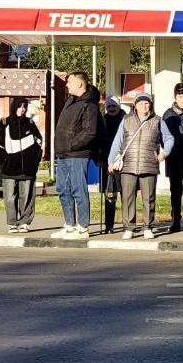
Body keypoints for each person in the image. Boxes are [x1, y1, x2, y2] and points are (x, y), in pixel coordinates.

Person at [108, 93, 174, 240]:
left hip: (149, 164)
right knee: (127, 197)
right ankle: (129, 227)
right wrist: (111, 161)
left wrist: (163, 154)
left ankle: (148, 227)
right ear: (135, 105)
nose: (145, 106)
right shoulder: (126, 120)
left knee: (149, 198)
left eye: (147, 103)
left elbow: (169, 138)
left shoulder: (158, 120)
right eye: (141, 103)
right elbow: (117, 141)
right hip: (128, 165)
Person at [51, 72, 102, 240]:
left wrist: (72, 145)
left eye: (70, 82)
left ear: (80, 84)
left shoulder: (90, 105)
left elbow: (90, 132)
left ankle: (83, 227)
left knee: (78, 190)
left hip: (77, 154)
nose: (67, 85)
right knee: (62, 189)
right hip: (63, 154)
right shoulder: (70, 102)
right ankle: (69, 225)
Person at [0, 97, 42, 233]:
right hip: (9, 170)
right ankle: (12, 223)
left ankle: (24, 222)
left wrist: (34, 162)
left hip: (28, 170)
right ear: (14, 107)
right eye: (19, 106)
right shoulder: (4, 124)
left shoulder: (30, 124)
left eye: (24, 106)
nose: (22, 109)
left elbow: (39, 143)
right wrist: (5, 161)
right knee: (9, 198)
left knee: (26, 198)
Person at [163, 83, 183, 233]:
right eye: (180, 96)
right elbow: (162, 135)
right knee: (175, 190)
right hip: (175, 157)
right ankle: (175, 219)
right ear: (175, 97)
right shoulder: (168, 114)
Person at [98, 96, 125, 234]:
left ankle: (128, 224)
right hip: (106, 163)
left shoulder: (125, 119)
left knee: (125, 194)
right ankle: (109, 225)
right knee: (109, 195)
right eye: (109, 106)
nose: (112, 109)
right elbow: (98, 141)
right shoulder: (102, 121)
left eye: (114, 106)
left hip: (123, 162)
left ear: (119, 106)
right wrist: (98, 158)